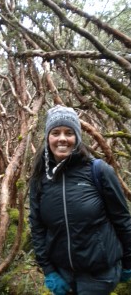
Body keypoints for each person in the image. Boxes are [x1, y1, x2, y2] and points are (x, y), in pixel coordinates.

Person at [29, 105, 131, 295]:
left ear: (77, 137)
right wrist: (49, 270)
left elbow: (122, 219)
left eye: (69, 132)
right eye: (55, 132)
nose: (62, 138)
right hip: (62, 274)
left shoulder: (98, 171)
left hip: (99, 275)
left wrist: (128, 262)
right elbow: (37, 227)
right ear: (47, 138)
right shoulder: (40, 178)